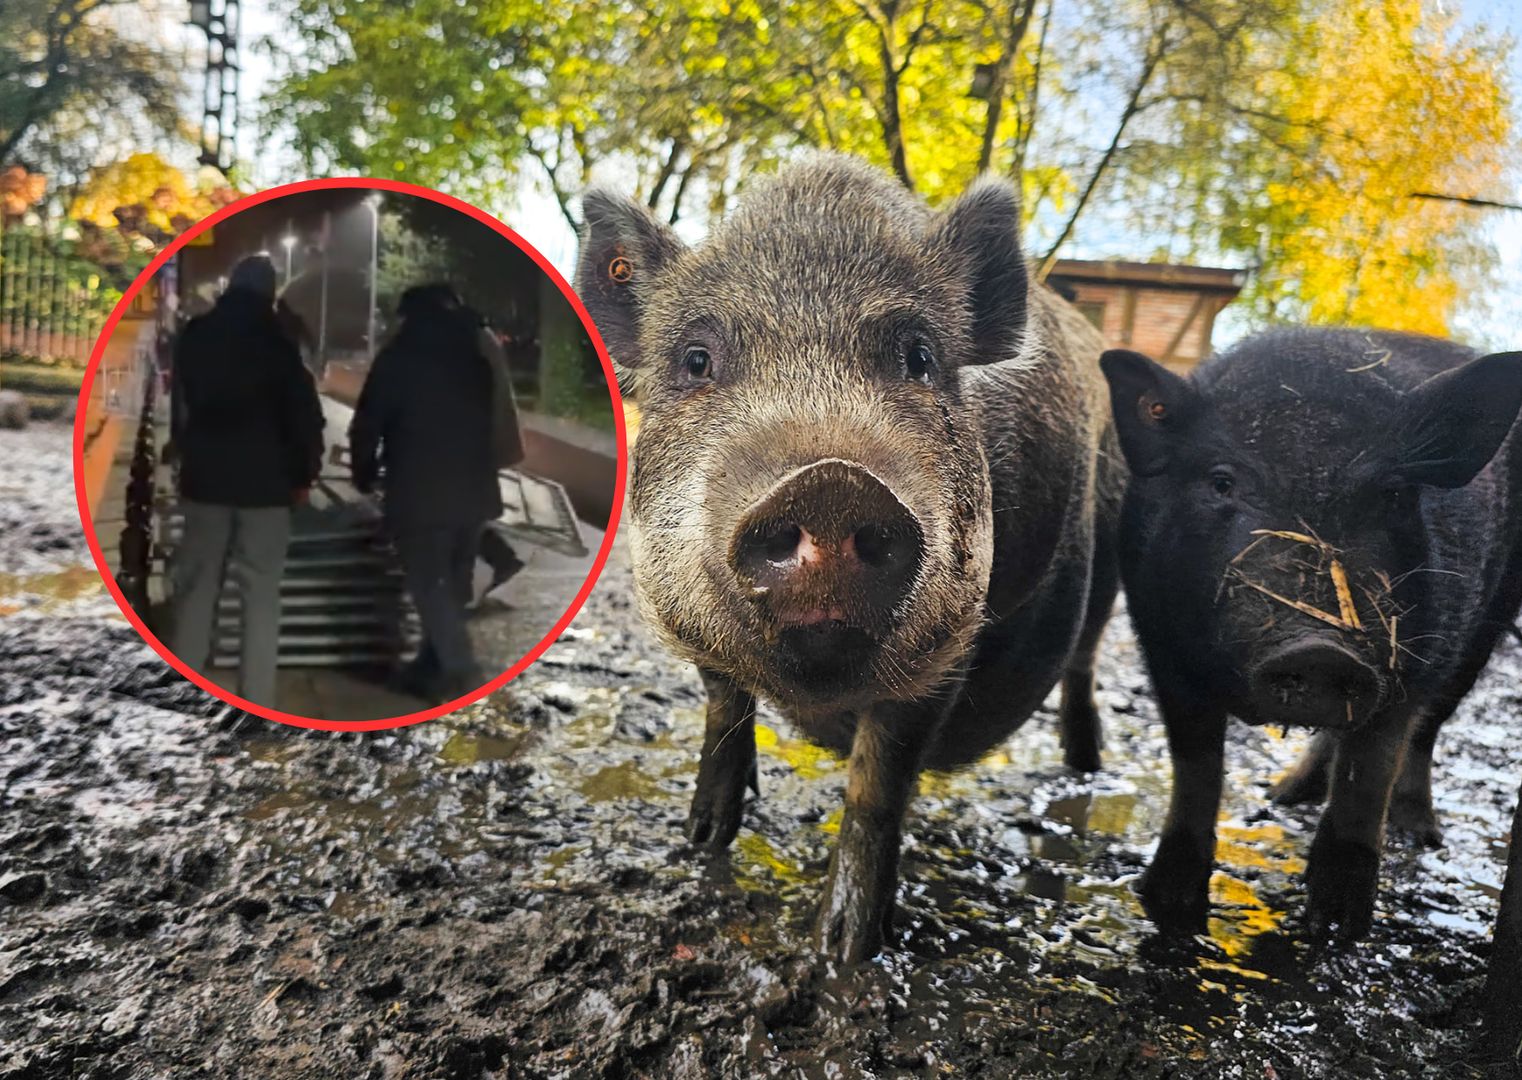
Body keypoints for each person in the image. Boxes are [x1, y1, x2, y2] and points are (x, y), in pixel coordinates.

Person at [168, 254, 325, 709]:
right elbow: (303, 419)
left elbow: (182, 407)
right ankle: (255, 699)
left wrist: (185, 456)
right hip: (267, 488)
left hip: (205, 482)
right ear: (271, 293)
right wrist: (302, 476)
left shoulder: (196, 335)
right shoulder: (279, 342)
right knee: (260, 596)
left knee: (197, 591)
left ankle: (185, 691)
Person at [348, 284, 503, 701]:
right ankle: (430, 666)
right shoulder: (475, 359)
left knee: (427, 584)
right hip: (472, 492)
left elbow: (367, 424)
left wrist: (363, 473)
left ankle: (461, 671)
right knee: (453, 584)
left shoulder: (397, 360)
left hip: (419, 493)